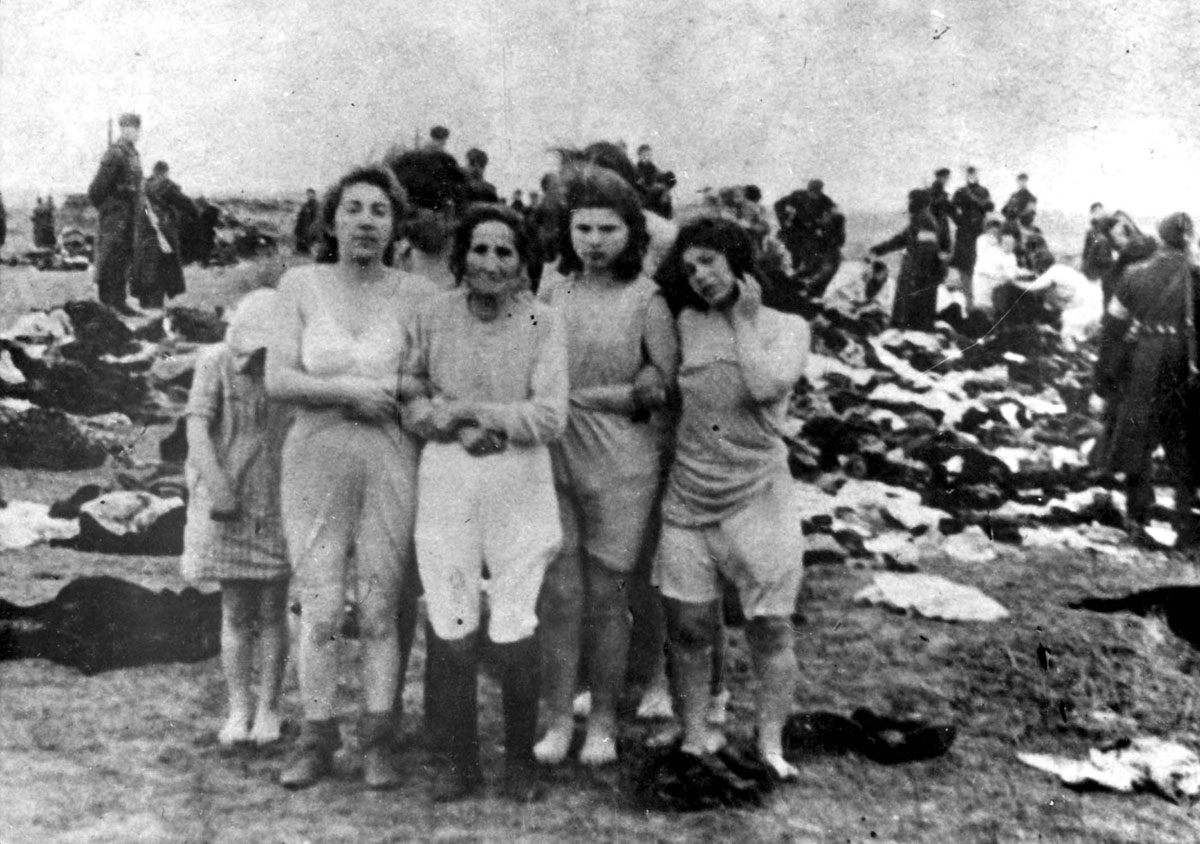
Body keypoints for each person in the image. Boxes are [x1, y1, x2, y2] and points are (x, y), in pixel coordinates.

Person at [266, 164, 435, 790]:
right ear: (332, 220)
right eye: (353, 209)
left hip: (390, 455)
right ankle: (315, 736)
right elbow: (279, 378)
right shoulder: (300, 286)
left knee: (381, 605)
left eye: (379, 211)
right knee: (319, 604)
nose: (365, 221)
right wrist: (346, 394)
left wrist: (387, 393)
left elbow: (423, 380)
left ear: (395, 226)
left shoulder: (417, 295)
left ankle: (378, 737)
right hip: (315, 453)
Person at [402, 204, 568, 802]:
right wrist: (447, 426)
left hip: (518, 477)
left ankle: (519, 761)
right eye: (479, 249)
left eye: (504, 252)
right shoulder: (432, 315)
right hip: (449, 475)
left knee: (515, 617)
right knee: (450, 612)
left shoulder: (542, 323)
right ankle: (457, 759)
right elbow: (412, 395)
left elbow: (549, 414)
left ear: (524, 262)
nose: (490, 263)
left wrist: (471, 413)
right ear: (460, 256)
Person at [651, 216, 809, 780]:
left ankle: (770, 745)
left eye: (710, 261)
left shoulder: (788, 326)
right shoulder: (685, 322)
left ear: (739, 260)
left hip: (759, 493)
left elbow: (767, 386)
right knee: (689, 627)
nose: (699, 276)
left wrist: (743, 322)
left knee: (769, 626)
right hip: (690, 494)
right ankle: (695, 736)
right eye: (690, 266)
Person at [533, 166, 678, 767]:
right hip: (555, 448)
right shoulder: (551, 290)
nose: (593, 240)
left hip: (623, 459)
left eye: (608, 228)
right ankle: (558, 718)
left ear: (632, 233)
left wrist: (598, 398)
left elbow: (660, 387)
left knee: (607, 594)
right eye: (583, 228)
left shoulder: (647, 299)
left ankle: (605, 724)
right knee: (560, 593)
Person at [180, 289, 292, 748]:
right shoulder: (215, 363)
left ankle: (269, 705)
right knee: (235, 609)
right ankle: (238, 706)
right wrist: (219, 487)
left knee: (272, 609)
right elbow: (197, 427)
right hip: (230, 499)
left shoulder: (289, 369)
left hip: (278, 497)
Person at [1095, 213, 1200, 548]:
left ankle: (1137, 515)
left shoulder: (1133, 275)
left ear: (1161, 236)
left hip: (1144, 360)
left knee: (1137, 435)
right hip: (1185, 363)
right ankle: (1186, 515)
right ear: (1189, 238)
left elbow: (1111, 329)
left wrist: (1104, 378)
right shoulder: (1196, 276)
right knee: (1184, 438)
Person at [869, 188, 950, 331]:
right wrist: (878, 249)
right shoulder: (920, 218)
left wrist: (918, 273)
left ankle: (909, 330)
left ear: (917, 202)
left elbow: (927, 249)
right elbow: (902, 239)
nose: (908, 203)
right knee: (912, 306)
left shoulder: (925, 220)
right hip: (918, 270)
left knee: (915, 307)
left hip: (921, 271)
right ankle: (907, 327)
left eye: (911, 200)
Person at [87, 112, 144, 315]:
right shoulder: (116, 153)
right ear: (124, 129)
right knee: (109, 255)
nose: (136, 133)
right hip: (116, 215)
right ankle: (106, 303)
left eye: (137, 129)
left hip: (130, 215)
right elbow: (96, 189)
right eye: (131, 128)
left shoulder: (133, 155)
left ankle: (119, 301)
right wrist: (109, 210)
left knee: (124, 256)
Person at [133, 161, 197, 309]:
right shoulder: (166, 186)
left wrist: (149, 216)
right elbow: (189, 206)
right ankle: (155, 307)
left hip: (143, 236)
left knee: (144, 271)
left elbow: (142, 210)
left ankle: (145, 305)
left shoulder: (141, 186)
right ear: (165, 172)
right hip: (162, 235)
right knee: (161, 272)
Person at [950, 167, 995, 307]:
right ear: (966, 175)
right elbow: (952, 208)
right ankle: (968, 299)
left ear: (977, 174)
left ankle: (977, 297)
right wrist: (959, 220)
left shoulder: (984, 191)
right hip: (964, 231)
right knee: (964, 263)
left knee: (978, 261)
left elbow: (990, 207)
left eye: (974, 173)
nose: (972, 176)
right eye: (970, 174)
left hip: (978, 231)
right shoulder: (961, 191)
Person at [774, 179, 835, 272]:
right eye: (811, 192)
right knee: (793, 253)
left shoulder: (825, 200)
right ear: (808, 190)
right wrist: (784, 221)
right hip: (794, 229)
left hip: (811, 231)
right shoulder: (798, 195)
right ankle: (793, 273)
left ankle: (803, 275)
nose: (814, 195)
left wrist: (822, 227)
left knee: (811, 256)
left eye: (816, 193)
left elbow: (832, 215)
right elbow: (778, 205)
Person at [293, 188, 320, 254]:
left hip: (312, 227)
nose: (309, 196)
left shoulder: (317, 205)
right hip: (303, 227)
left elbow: (317, 217)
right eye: (308, 194)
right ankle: (301, 251)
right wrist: (297, 227)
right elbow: (300, 216)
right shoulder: (305, 205)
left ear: (314, 195)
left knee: (310, 241)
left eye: (310, 194)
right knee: (301, 240)